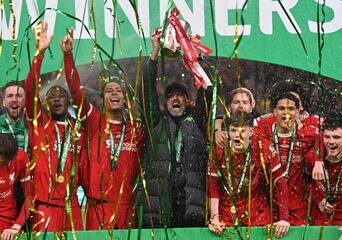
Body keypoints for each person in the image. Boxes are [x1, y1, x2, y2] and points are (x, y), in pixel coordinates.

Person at [59, 30, 145, 230]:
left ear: (124, 99)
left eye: (119, 91)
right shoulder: (94, 121)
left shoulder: (137, 130)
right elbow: (75, 91)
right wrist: (68, 55)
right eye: (109, 90)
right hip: (98, 209)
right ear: (103, 99)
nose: (114, 93)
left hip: (126, 208)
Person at [138, 30, 209, 228]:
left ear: (187, 101)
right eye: (171, 96)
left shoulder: (197, 123)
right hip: (158, 212)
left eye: (180, 96)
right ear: (165, 102)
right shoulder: (155, 122)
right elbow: (146, 89)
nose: (176, 98)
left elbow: (206, 90)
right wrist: (154, 53)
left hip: (191, 211)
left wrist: (197, 58)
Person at [25, 22, 84, 231]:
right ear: (46, 103)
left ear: (68, 102)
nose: (57, 99)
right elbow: (30, 90)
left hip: (72, 207)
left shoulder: (78, 130)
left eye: (62, 96)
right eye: (52, 96)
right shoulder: (39, 123)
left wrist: (68, 56)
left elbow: (77, 90)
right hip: (45, 207)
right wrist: (39, 53)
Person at [208, 111, 290, 238]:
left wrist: (284, 218)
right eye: (233, 130)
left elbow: (280, 182)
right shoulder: (218, 150)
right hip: (227, 218)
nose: (237, 135)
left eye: (242, 131)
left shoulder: (264, 147)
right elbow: (213, 187)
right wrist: (214, 217)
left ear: (251, 132)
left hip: (258, 217)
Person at [257, 92, 319, 225]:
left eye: (291, 109)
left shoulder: (308, 134)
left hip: (298, 209)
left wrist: (319, 160)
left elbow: (331, 137)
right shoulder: (264, 134)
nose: (286, 113)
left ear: (298, 112)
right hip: (270, 207)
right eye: (281, 109)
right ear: (274, 112)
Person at [255, 79, 324, 181]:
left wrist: (319, 160)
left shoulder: (313, 122)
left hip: (299, 185)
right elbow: (243, 127)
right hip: (271, 185)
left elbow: (334, 132)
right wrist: (221, 120)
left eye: (293, 101)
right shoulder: (266, 122)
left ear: (300, 106)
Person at [311, 111, 342, 240]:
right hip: (320, 226)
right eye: (327, 137)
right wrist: (319, 198)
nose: (331, 142)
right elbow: (304, 183)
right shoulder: (312, 158)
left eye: (336, 137)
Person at [0, 133, 30, 240]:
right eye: (3, 162)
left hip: (12, 222)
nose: (9, 166)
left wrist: (16, 226)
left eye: (11, 161)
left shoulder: (21, 157)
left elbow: (30, 197)